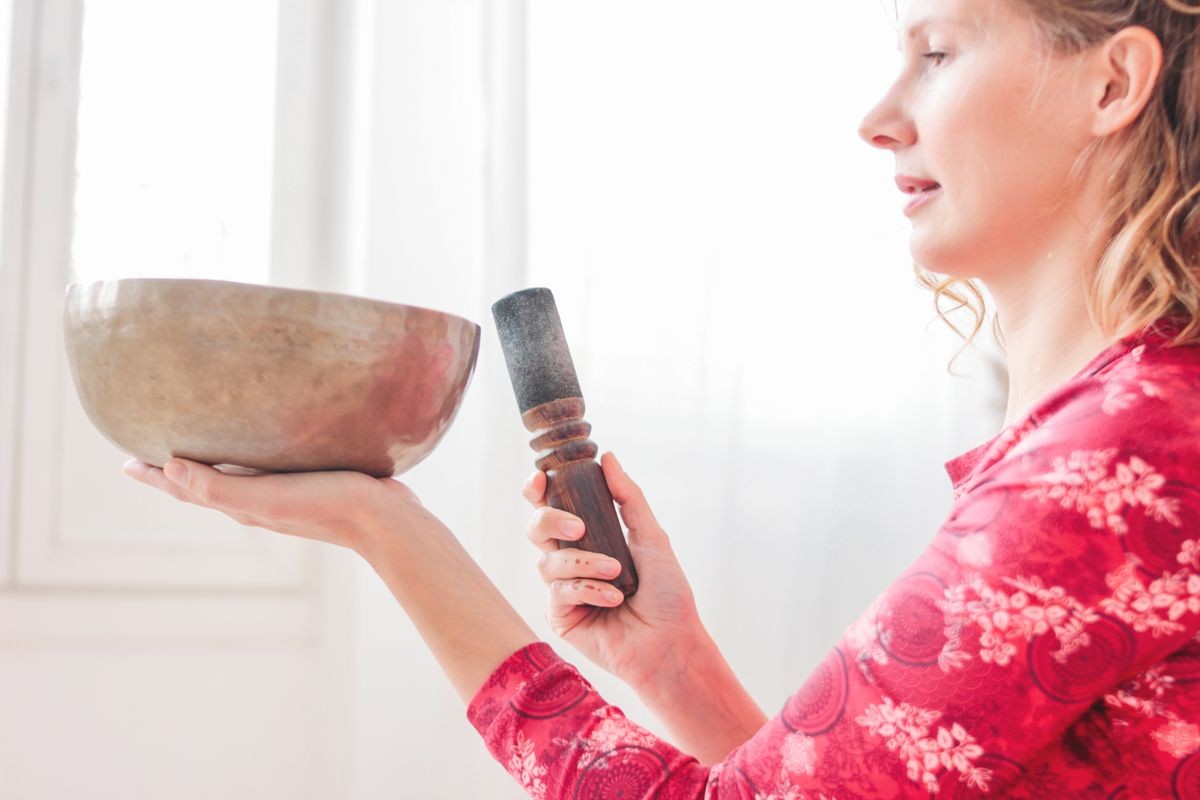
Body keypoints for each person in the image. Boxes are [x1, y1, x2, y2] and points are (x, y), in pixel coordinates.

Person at [123, 0, 1200, 796]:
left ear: (1113, 84)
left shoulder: (1114, 463)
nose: (878, 118)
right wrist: (674, 665)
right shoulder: (1131, 426)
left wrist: (388, 527)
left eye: (936, 53)